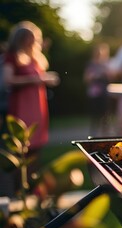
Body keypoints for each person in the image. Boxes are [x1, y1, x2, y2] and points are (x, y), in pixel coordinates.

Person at [2, 21, 59, 177]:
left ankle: (31, 186)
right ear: (20, 39)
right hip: (22, 106)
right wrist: (36, 80)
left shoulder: (33, 57)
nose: (31, 42)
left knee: (36, 147)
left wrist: (44, 79)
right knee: (22, 147)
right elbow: (8, 80)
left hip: (36, 105)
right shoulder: (11, 57)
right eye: (28, 38)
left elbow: (40, 74)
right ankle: (19, 188)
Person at [84, 43, 112, 137]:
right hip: (95, 93)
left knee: (105, 115)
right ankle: (94, 134)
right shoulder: (91, 64)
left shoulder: (106, 64)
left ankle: (105, 134)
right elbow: (87, 78)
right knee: (95, 115)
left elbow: (111, 76)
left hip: (105, 93)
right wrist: (96, 76)